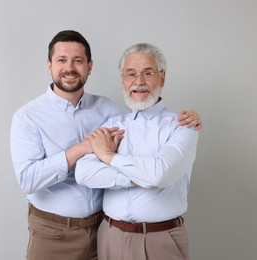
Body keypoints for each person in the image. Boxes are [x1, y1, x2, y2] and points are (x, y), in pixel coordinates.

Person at [10, 30, 202, 260]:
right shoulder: (28, 116)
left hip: (100, 230)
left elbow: (150, 149)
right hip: (55, 232)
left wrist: (115, 161)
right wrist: (144, 176)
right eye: (62, 60)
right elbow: (72, 174)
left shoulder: (111, 112)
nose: (69, 67)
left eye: (78, 60)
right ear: (49, 65)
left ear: (89, 66)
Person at [75, 43, 199, 260]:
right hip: (110, 237)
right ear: (123, 80)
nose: (139, 82)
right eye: (131, 74)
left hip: (159, 239)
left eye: (147, 73)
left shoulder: (183, 125)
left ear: (162, 78)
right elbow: (83, 173)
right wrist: (141, 175)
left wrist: (108, 157)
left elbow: (160, 174)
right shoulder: (113, 124)